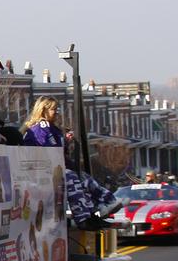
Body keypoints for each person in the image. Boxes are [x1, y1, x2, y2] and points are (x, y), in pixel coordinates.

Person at [21, 97, 121, 229]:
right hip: (39, 171)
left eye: (57, 109)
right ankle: (83, 218)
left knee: (82, 176)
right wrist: (64, 144)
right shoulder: (41, 128)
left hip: (52, 168)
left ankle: (101, 207)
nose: (56, 113)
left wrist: (66, 142)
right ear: (43, 110)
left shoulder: (53, 128)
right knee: (71, 177)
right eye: (53, 109)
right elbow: (52, 151)